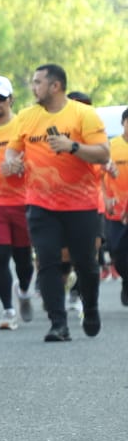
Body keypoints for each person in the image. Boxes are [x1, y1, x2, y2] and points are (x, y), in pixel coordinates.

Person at [1, 65, 110, 340]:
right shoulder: (26, 116)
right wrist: (11, 163)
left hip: (81, 204)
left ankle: (92, 308)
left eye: (38, 82)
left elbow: (102, 153)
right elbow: (12, 153)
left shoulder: (83, 114)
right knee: (48, 262)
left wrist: (72, 146)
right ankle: (58, 323)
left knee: (86, 264)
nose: (33, 86)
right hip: (40, 204)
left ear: (55, 86)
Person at [0, 75, 36, 329]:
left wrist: (23, 166)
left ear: (11, 99)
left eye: (1, 98)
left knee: (24, 259)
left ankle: (23, 291)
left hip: (23, 200)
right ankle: (8, 311)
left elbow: (39, 156)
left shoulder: (22, 125)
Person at [102, 110, 128, 304]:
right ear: (123, 123)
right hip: (116, 211)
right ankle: (126, 279)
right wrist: (105, 198)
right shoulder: (111, 147)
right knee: (117, 251)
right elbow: (99, 176)